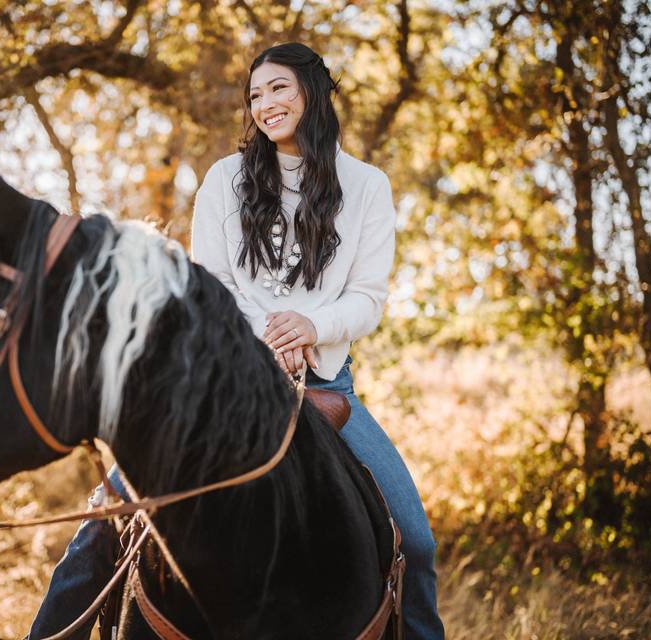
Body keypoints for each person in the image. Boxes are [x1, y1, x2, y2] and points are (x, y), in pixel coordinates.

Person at [29, 42, 444, 639]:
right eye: (255, 95)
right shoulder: (225, 179)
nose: (264, 104)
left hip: (326, 383)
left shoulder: (368, 187)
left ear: (313, 90)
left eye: (278, 88)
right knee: (107, 518)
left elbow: (368, 296)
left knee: (417, 540)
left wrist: (310, 326)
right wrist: (267, 338)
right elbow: (212, 283)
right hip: (221, 382)